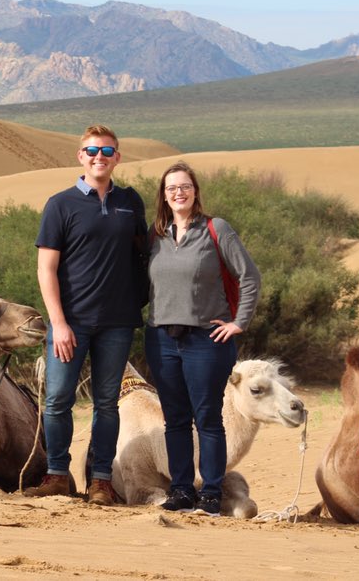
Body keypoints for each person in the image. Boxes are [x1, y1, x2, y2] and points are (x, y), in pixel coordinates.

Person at [27, 124, 148, 506]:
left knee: (107, 403)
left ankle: (101, 481)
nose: (100, 157)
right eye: (93, 151)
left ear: (117, 157)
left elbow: (144, 254)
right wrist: (58, 323)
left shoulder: (130, 202)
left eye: (107, 151)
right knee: (58, 400)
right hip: (71, 322)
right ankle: (57, 475)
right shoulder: (60, 204)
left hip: (117, 321)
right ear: (81, 156)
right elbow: (46, 269)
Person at [145, 160, 261, 516]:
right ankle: (181, 489)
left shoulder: (216, 229)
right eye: (171, 188)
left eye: (185, 186)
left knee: (208, 418)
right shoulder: (156, 234)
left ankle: (211, 492)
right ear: (164, 195)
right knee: (175, 419)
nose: (178, 193)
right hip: (162, 339)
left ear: (195, 191)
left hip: (206, 341)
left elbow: (249, 276)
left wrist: (238, 322)